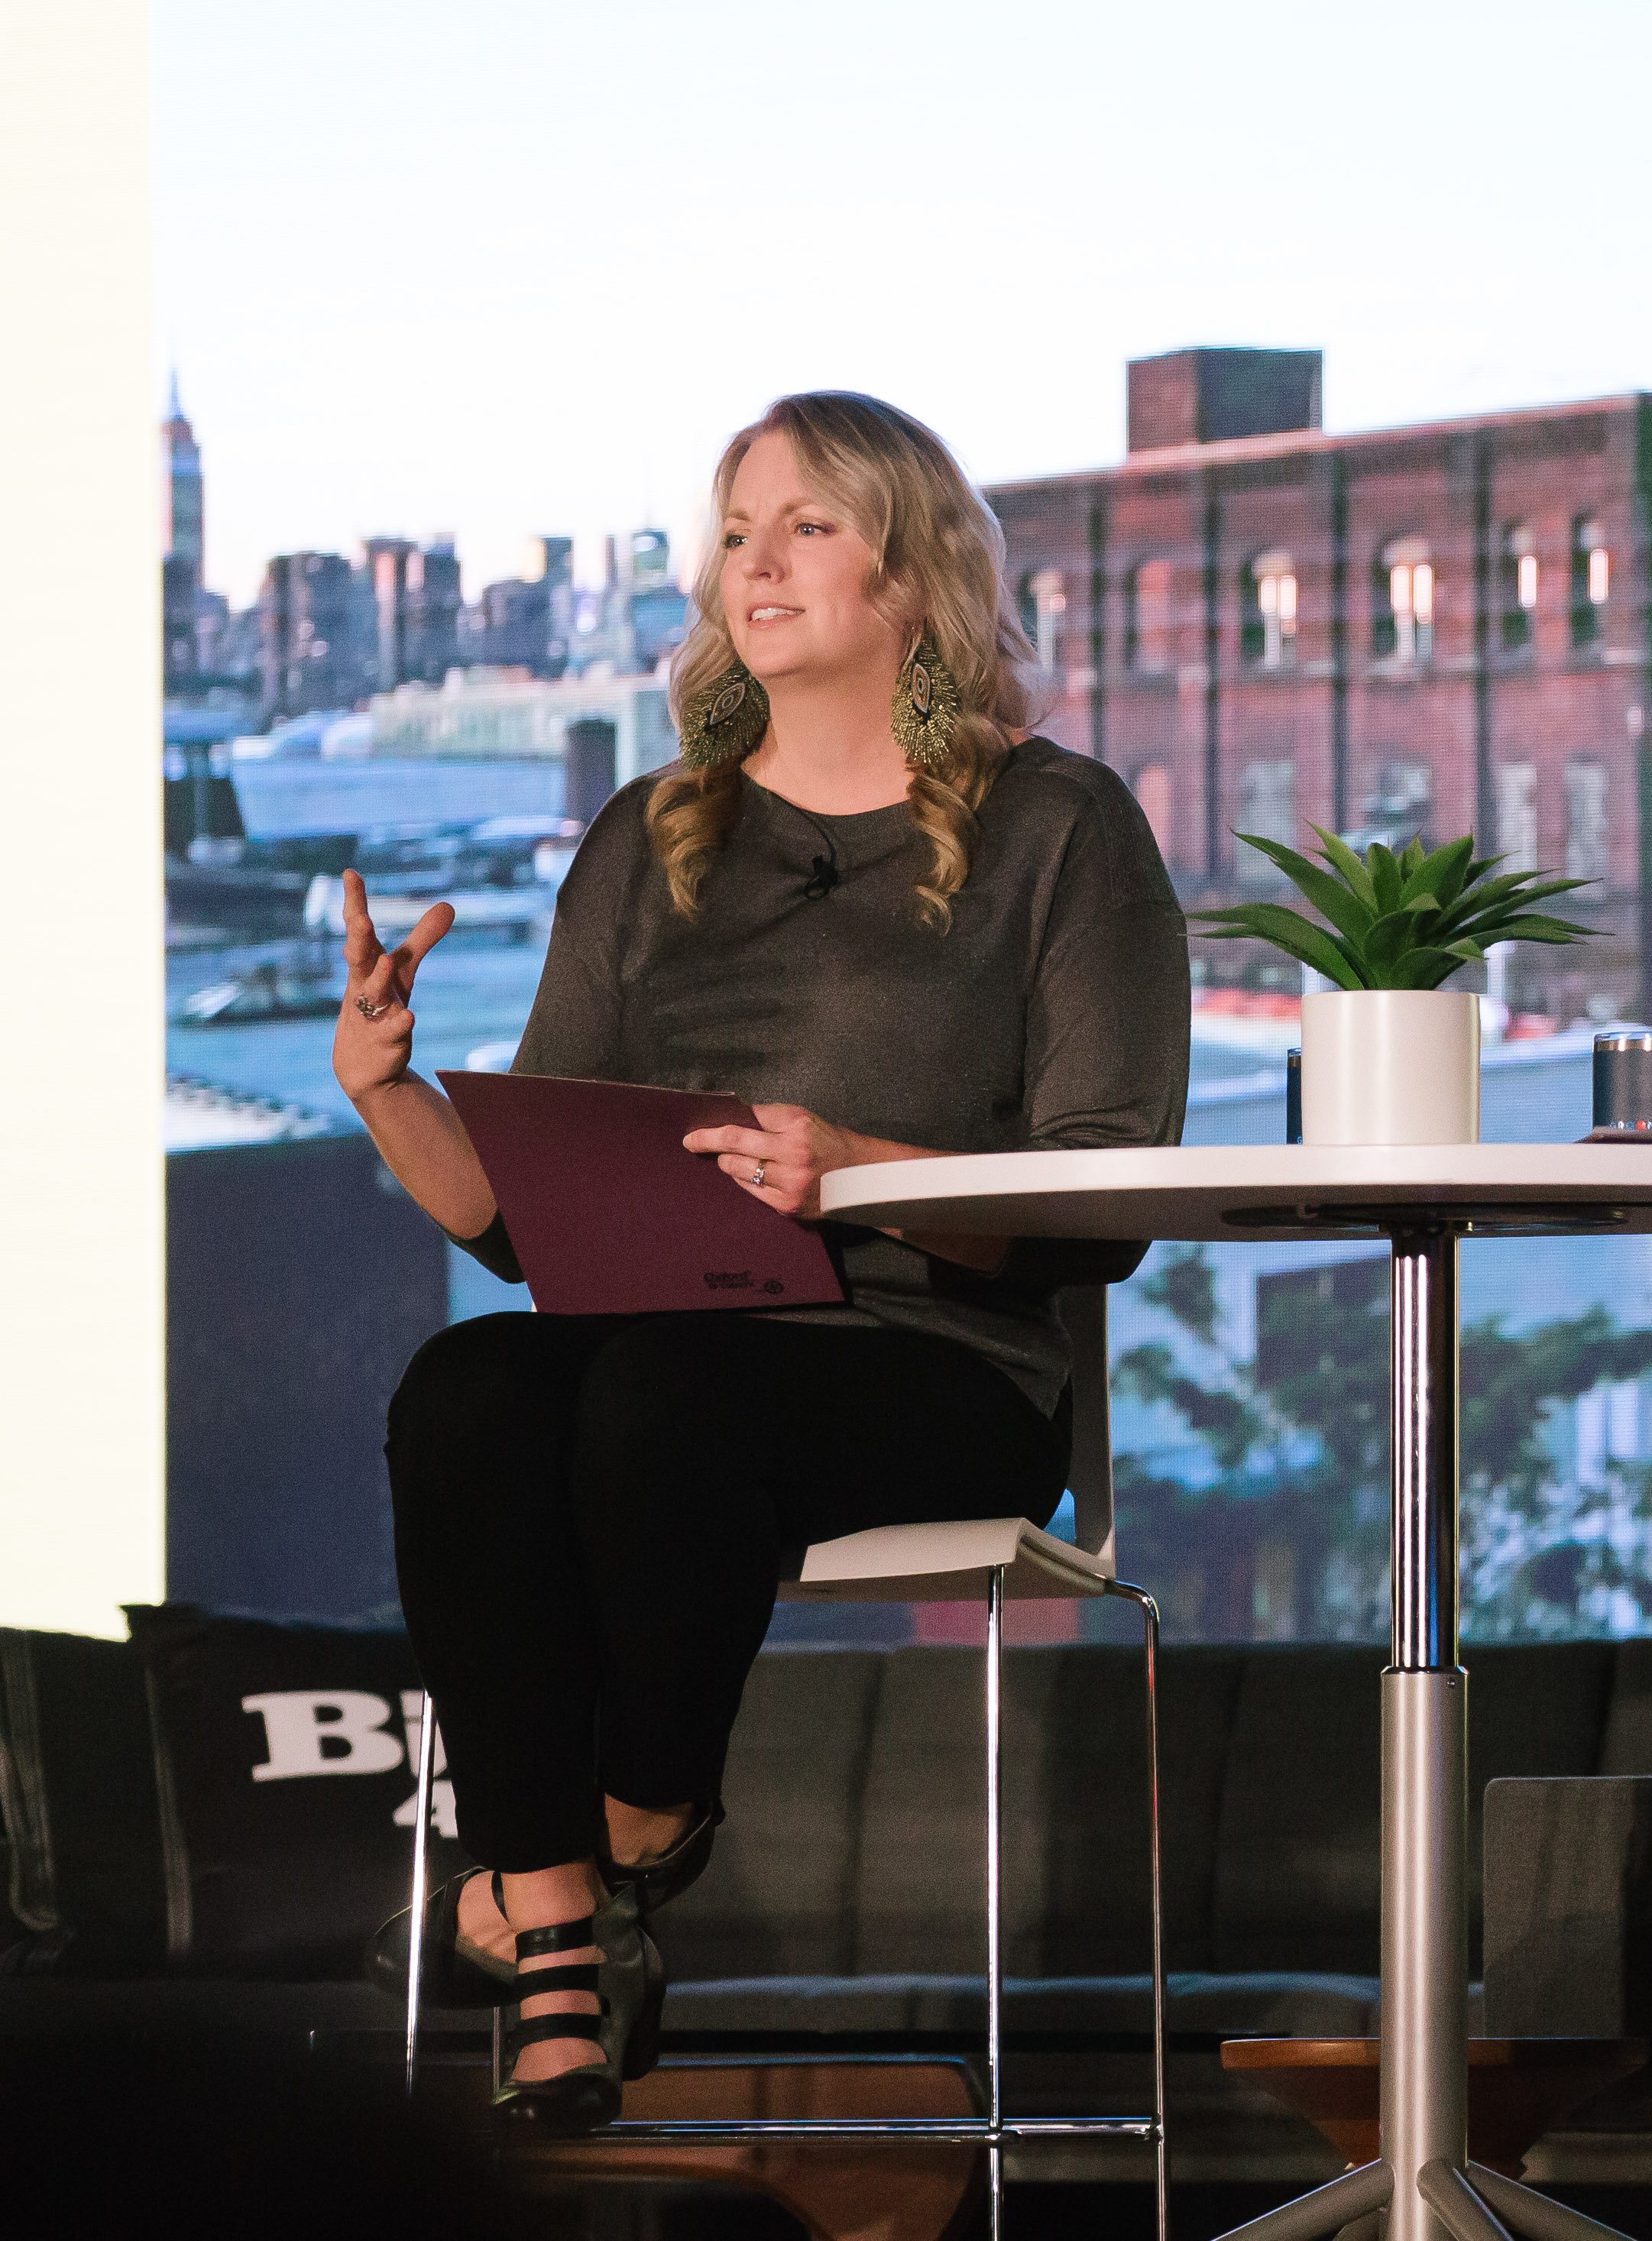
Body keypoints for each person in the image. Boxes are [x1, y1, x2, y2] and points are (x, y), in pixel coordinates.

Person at [346, 391, 1187, 2129]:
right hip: (670, 1334)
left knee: (658, 1397)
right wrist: (388, 1094)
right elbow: (516, 1225)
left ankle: (636, 1826)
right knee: (466, 1390)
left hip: (940, 1362)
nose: (756, 562)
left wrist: (864, 1174)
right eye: (735, 532)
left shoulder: (1059, 825)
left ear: (914, 567)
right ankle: (568, 1921)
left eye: (804, 523)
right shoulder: (651, 836)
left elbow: (1107, 1196)